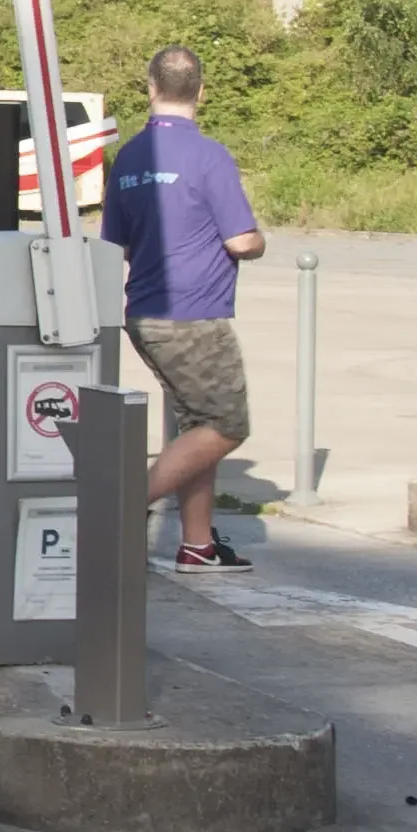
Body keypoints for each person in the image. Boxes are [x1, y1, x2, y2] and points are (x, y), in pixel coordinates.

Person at [101, 46, 266, 572]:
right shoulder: (208, 155)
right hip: (194, 314)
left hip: (144, 311)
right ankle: (117, 512)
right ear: (202, 90)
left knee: (198, 424)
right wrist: (259, 241)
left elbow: (117, 245)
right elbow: (240, 240)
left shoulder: (128, 157)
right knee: (226, 425)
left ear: (150, 88)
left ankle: (197, 544)